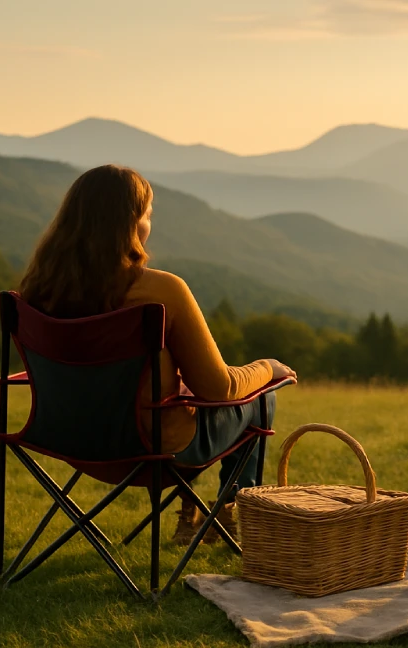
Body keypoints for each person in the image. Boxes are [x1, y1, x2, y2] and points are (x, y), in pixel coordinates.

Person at [17, 165, 297, 546]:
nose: (149, 224)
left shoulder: (37, 292)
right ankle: (227, 513)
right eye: (147, 214)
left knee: (179, 394)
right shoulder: (161, 291)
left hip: (67, 438)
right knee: (262, 396)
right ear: (129, 223)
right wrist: (269, 368)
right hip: (151, 447)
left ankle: (196, 512)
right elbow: (220, 388)